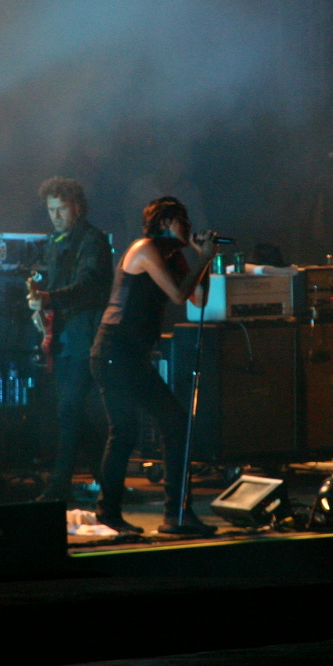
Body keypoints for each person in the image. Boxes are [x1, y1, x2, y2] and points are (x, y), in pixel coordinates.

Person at [90, 196, 218, 535]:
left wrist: (202, 260)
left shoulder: (175, 257)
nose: (188, 227)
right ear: (163, 222)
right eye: (182, 221)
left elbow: (199, 299)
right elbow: (177, 295)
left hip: (132, 356)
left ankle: (176, 515)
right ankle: (108, 513)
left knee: (174, 424)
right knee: (125, 432)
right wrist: (203, 257)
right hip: (114, 351)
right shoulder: (144, 250)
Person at [26, 177, 113, 503]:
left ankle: (60, 484)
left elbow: (89, 286)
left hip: (86, 336)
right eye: (51, 210)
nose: (56, 216)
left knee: (70, 408)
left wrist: (50, 298)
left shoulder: (92, 240)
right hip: (63, 337)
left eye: (61, 208)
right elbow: (56, 287)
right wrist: (40, 305)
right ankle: (107, 481)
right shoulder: (53, 242)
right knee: (72, 412)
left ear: (77, 207)